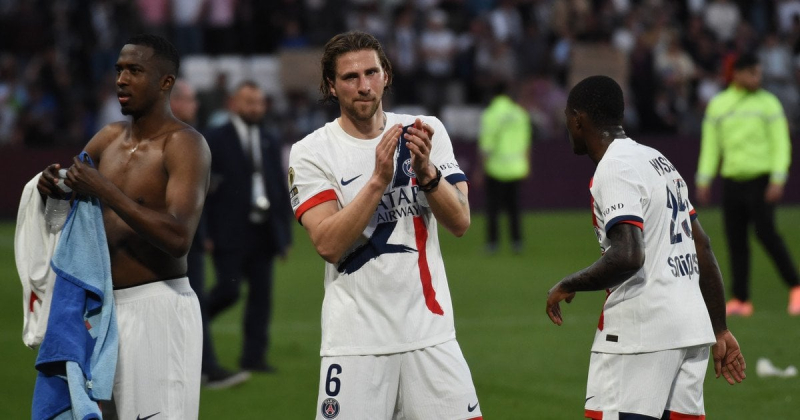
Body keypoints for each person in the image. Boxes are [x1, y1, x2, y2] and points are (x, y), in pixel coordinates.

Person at [288, 31, 482, 420]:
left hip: (431, 336)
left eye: (371, 73)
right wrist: (378, 180)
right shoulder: (312, 152)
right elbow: (327, 244)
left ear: (386, 75)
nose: (364, 86)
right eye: (350, 77)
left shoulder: (424, 131)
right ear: (331, 85)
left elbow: (461, 221)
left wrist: (427, 174)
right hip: (356, 345)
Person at [545, 75, 745, 419]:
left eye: (567, 118)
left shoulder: (615, 167)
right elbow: (702, 246)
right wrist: (719, 328)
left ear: (578, 119)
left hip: (641, 331)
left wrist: (568, 283)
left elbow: (628, 255)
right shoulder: (658, 160)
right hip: (691, 329)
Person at [37, 34, 209, 419]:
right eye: (119, 70)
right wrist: (53, 189)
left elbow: (179, 237)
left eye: (135, 70)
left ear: (165, 82)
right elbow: (72, 200)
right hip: (103, 311)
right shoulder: (108, 138)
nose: (121, 80)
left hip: (158, 307)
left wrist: (105, 190)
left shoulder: (185, 144)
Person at [695, 52, 800, 317]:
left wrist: (778, 178)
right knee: (736, 240)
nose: (758, 79)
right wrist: (704, 178)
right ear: (737, 74)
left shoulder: (768, 103)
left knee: (766, 234)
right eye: (753, 73)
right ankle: (741, 299)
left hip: (761, 180)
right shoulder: (719, 105)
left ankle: (796, 286)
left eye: (759, 73)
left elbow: (781, 143)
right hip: (732, 180)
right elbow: (711, 146)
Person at [204, 80, 292, 373]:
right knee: (228, 291)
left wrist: (284, 236)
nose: (256, 108)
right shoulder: (215, 139)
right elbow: (203, 191)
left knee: (261, 298)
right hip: (228, 231)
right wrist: (206, 232)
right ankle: (196, 320)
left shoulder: (269, 138)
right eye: (249, 102)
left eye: (260, 102)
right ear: (233, 104)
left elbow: (277, 186)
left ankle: (254, 358)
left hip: (263, 231)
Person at [170, 78, 251, 389]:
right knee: (191, 302)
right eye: (190, 99)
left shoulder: (185, 136)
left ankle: (199, 366)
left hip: (186, 234)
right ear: (174, 101)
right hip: (180, 236)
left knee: (188, 303)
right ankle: (206, 368)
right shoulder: (179, 139)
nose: (196, 105)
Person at [478, 83, 531, 254]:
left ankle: (492, 243)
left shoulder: (491, 114)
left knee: (493, 208)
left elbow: (486, 145)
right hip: (516, 167)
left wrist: (480, 169)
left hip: (496, 168)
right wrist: (526, 165)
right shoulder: (520, 113)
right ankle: (517, 242)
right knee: (514, 208)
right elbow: (526, 142)